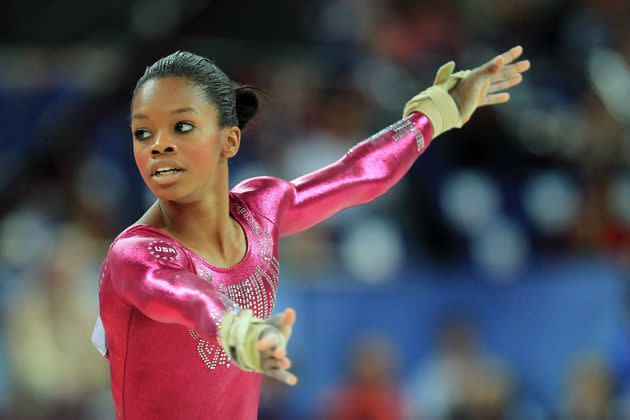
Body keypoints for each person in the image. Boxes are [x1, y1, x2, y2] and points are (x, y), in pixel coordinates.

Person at [92, 46, 530, 419]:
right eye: (142, 132)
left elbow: (356, 175)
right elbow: (184, 295)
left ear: (229, 140)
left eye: (181, 127)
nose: (158, 145)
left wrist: (437, 112)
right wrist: (239, 330)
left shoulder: (259, 211)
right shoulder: (135, 255)